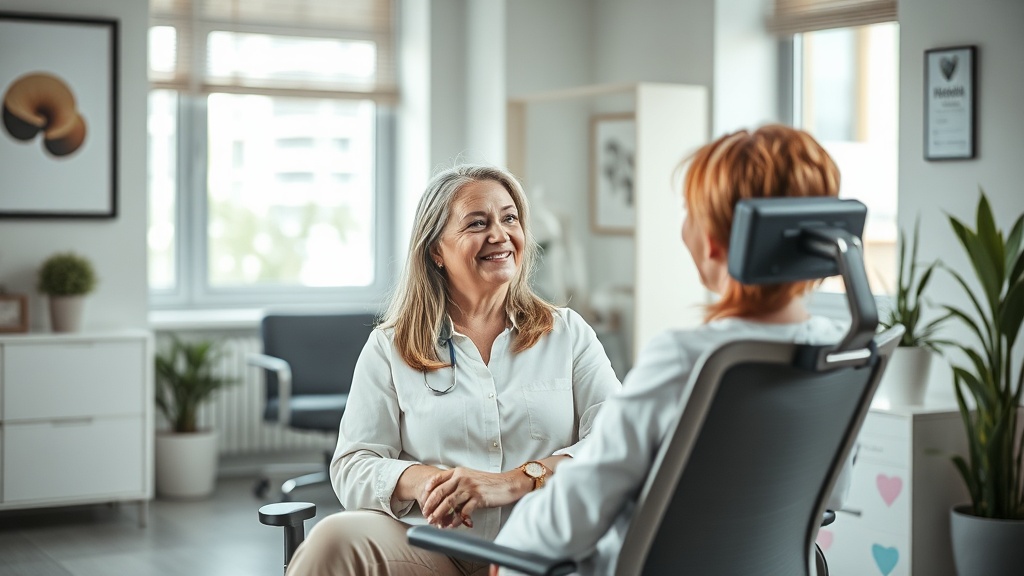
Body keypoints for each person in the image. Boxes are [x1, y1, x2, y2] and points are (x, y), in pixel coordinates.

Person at [491, 125, 855, 575]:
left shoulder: (688, 360)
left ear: (714, 241)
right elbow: (832, 496)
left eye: (690, 211)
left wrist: (509, 552)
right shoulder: (844, 351)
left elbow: (574, 515)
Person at [285, 164, 621, 576]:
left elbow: (616, 442)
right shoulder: (390, 347)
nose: (499, 234)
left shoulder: (567, 333)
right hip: (434, 547)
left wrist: (518, 480)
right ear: (436, 251)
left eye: (509, 218)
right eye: (477, 223)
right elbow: (353, 463)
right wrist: (426, 482)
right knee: (332, 540)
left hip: (541, 548)